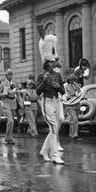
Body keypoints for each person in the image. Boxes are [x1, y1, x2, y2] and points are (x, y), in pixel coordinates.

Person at [37, 35, 65, 164]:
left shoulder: (58, 75)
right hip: (46, 102)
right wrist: (44, 81)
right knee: (53, 127)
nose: (53, 63)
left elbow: (63, 91)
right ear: (46, 63)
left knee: (55, 127)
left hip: (56, 102)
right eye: (51, 62)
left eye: (54, 62)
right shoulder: (41, 75)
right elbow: (38, 91)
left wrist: (58, 86)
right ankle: (54, 155)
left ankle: (44, 150)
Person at [0, 69, 18, 144]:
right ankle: (8, 137)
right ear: (6, 76)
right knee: (10, 121)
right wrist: (6, 94)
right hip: (6, 102)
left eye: (11, 74)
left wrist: (20, 103)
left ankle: (9, 137)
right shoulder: (3, 84)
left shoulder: (14, 83)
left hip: (13, 103)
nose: (10, 76)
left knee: (11, 122)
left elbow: (18, 93)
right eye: (8, 74)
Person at [63, 71, 80, 139]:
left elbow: (79, 93)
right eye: (71, 79)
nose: (72, 80)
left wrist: (79, 89)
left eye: (73, 79)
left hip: (77, 104)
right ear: (68, 79)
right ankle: (75, 134)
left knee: (74, 120)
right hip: (69, 104)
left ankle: (71, 134)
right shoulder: (65, 86)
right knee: (75, 119)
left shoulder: (77, 85)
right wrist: (72, 95)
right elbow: (64, 95)